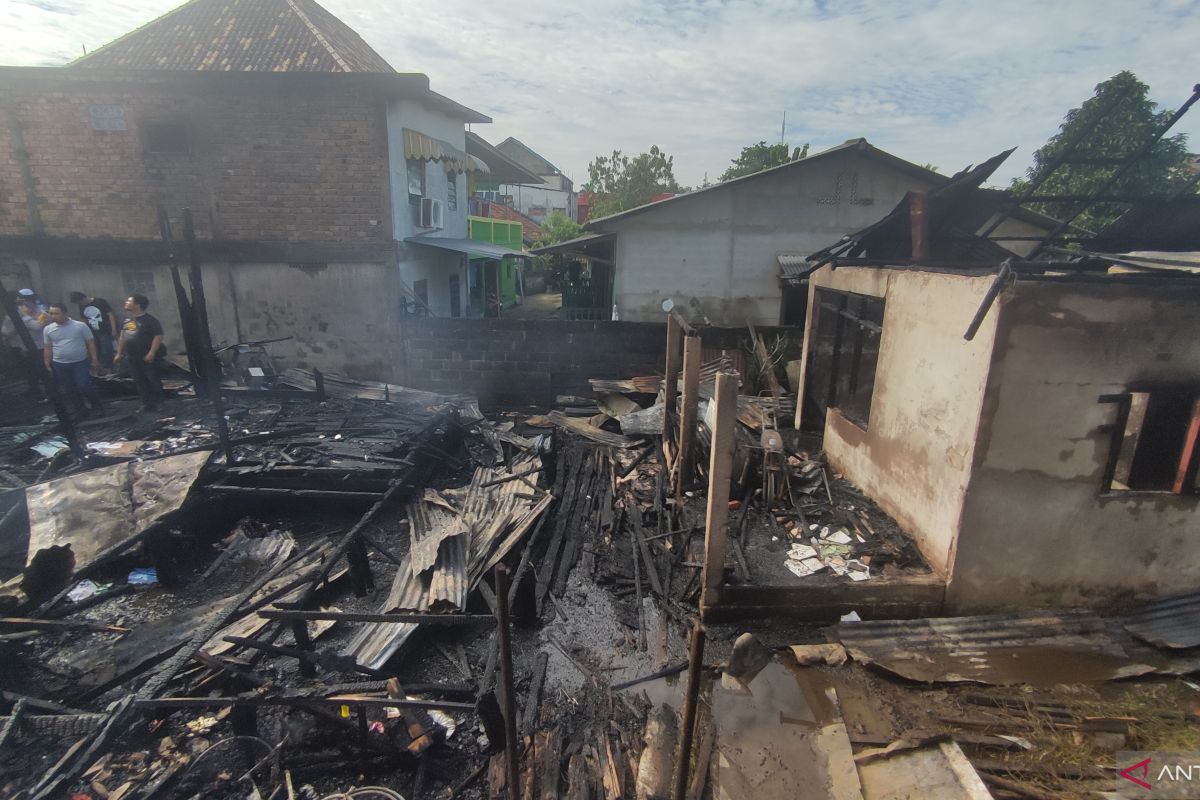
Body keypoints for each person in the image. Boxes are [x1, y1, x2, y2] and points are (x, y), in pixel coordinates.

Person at [43, 303, 104, 417]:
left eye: (56, 313)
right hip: (59, 363)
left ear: (65, 313)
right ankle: (80, 410)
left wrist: (94, 359)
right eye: (51, 313)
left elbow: (90, 342)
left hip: (79, 362)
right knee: (68, 388)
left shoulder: (80, 326)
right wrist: (46, 363)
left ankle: (97, 406)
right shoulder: (48, 329)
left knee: (84, 384)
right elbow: (48, 347)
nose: (53, 316)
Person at [114, 293, 166, 411]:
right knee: (139, 381)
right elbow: (123, 336)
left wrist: (152, 352)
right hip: (132, 357)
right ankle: (146, 403)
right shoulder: (128, 320)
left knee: (153, 380)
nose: (126, 303)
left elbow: (158, 336)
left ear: (137, 305)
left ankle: (159, 403)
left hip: (147, 357)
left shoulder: (150, 320)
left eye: (129, 301)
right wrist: (119, 353)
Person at [69, 290, 118, 370]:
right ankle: (100, 367)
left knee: (106, 350)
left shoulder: (100, 301)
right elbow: (84, 319)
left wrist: (114, 329)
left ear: (83, 298)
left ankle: (109, 368)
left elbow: (110, 315)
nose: (80, 304)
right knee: (96, 350)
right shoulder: (81, 306)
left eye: (80, 302)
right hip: (92, 332)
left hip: (104, 330)